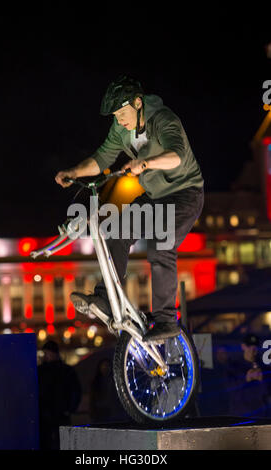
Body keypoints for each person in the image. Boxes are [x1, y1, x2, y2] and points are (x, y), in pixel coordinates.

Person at [55, 75, 204, 342]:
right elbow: (102, 158)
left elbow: (177, 156)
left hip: (185, 194)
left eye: (123, 113)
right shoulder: (120, 128)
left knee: (161, 243)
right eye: (115, 115)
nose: (120, 120)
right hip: (155, 196)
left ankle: (167, 320)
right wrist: (74, 171)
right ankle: (105, 298)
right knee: (117, 231)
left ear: (138, 103)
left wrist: (145, 164)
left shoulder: (164, 120)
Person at [38, 340, 82, 449]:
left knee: (59, 442)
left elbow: (75, 390)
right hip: (48, 413)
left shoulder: (64, 370)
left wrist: (69, 409)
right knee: (53, 442)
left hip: (57, 413)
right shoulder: (42, 370)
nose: (47, 356)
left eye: (48, 353)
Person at [226, 334, 270, 418]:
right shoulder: (233, 366)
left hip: (261, 416)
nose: (252, 350)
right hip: (240, 415)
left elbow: (267, 392)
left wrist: (262, 379)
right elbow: (229, 389)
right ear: (243, 346)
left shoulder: (264, 366)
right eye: (249, 346)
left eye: (255, 346)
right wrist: (246, 378)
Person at [89, 358, 128, 424]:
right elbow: (92, 398)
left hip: (113, 413)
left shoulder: (115, 382)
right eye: (104, 366)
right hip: (100, 413)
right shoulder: (96, 382)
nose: (106, 368)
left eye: (107, 366)